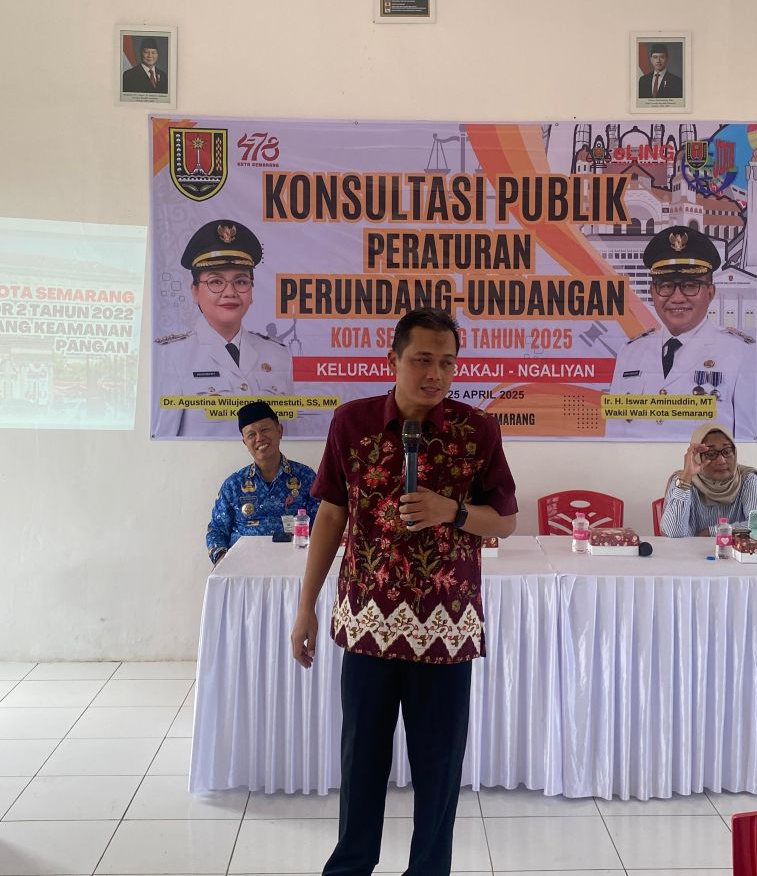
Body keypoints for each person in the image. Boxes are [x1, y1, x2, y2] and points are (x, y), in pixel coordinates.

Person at [290, 307, 517, 876]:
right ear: (393, 359)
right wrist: (306, 606)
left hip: (445, 627)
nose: (435, 374)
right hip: (367, 622)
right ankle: (351, 866)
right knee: (360, 761)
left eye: (447, 362)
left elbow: (505, 520)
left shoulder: (477, 430)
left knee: (439, 769)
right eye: (422, 360)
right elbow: (331, 515)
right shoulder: (352, 423)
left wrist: (452, 511)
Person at [607, 225, 757, 440]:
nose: (677, 298)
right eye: (666, 285)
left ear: (710, 292)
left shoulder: (741, 353)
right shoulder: (630, 353)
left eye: (690, 285)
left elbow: (748, 441)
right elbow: (614, 436)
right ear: (652, 293)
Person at [153, 219, 293, 438]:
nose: (230, 292)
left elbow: (288, 434)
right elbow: (163, 441)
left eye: (241, 281)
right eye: (216, 282)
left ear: (251, 291)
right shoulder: (171, 356)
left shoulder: (278, 354)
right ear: (195, 291)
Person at [206, 400, 319, 565]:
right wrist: (223, 562)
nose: (259, 438)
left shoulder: (306, 477)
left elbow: (322, 525)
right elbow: (216, 530)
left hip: (295, 567)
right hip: (244, 569)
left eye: (265, 429)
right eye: (251, 435)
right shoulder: (233, 485)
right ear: (245, 442)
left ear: (279, 431)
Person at [660, 421, 757, 537]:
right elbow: (673, 533)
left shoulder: (747, 479)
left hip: (734, 549)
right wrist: (686, 478)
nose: (721, 460)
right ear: (697, 457)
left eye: (727, 451)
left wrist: (712, 532)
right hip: (688, 549)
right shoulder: (682, 481)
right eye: (711, 454)